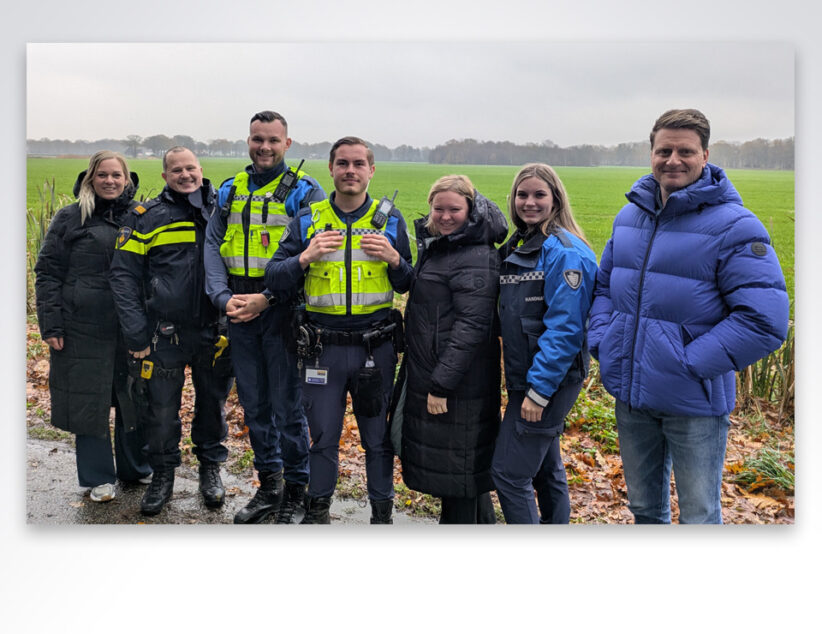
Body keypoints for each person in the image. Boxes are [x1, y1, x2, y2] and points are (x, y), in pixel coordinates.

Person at [587, 109, 790, 524]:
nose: (673, 160)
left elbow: (764, 320)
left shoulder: (736, 226)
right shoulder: (630, 218)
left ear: (706, 155)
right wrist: (604, 341)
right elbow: (604, 288)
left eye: (685, 151)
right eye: (664, 150)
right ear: (651, 154)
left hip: (693, 404)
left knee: (699, 516)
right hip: (632, 397)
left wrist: (688, 363)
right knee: (644, 510)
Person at [266, 136, 413, 524]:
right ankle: (317, 514)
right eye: (343, 163)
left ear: (371, 170)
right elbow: (274, 276)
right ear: (330, 169)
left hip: (375, 350)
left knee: (377, 440)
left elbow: (407, 283)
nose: (350, 170)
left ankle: (382, 517)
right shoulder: (308, 220)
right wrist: (305, 257)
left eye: (358, 163)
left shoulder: (390, 219)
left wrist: (396, 260)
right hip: (322, 351)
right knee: (323, 438)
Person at [204, 110, 325, 524]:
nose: (265, 147)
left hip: (284, 310)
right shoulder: (230, 190)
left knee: (287, 408)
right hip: (238, 308)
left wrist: (268, 299)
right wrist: (222, 298)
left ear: (287, 144)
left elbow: (313, 256)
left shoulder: (306, 192)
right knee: (254, 405)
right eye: (258, 139)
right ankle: (269, 485)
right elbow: (213, 245)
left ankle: (296, 489)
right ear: (248, 141)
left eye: (273, 140)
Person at [111, 146, 234, 516]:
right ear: (165, 176)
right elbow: (123, 277)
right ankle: (163, 475)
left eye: (190, 168)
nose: (185, 175)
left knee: (212, 406)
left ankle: (210, 470)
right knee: (161, 411)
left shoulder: (224, 211)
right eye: (176, 170)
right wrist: (136, 335)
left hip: (216, 331)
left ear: (201, 169)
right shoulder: (146, 217)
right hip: (164, 334)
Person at [35, 151, 152, 503]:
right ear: (90, 178)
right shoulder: (71, 217)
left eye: (116, 175)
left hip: (129, 325)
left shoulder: (141, 216)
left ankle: (135, 468)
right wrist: (51, 324)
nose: (110, 181)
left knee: (133, 397)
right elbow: (48, 272)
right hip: (81, 327)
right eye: (102, 175)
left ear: (127, 179)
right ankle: (98, 476)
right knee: (89, 402)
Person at [396, 175, 507, 524]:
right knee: (463, 473)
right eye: (438, 208)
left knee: (458, 471)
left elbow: (472, 326)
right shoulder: (446, 246)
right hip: (444, 375)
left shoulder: (475, 254)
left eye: (454, 209)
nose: (445, 216)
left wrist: (441, 384)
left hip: (458, 384)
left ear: (470, 210)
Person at [491, 163, 597, 524]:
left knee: (509, 474)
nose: (529, 202)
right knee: (545, 470)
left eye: (539, 194)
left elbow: (565, 329)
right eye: (522, 194)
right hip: (528, 375)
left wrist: (539, 392)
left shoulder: (564, 252)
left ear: (556, 199)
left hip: (547, 381)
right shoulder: (522, 244)